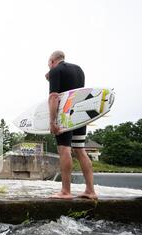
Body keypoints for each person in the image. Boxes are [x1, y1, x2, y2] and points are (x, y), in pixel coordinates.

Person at [47, 51, 97, 200]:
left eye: (49, 64)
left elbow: (55, 97)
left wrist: (52, 121)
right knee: (80, 150)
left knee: (64, 149)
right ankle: (90, 190)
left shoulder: (56, 70)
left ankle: (65, 191)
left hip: (65, 115)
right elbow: (70, 89)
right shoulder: (79, 70)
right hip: (80, 113)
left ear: (52, 60)